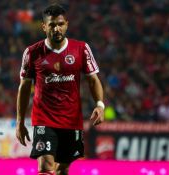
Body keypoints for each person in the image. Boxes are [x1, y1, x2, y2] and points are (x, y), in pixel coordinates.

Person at [16, 4, 105, 175]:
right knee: (45, 167)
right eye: (51, 25)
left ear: (66, 24)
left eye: (60, 24)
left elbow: (93, 80)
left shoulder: (81, 49)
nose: (56, 28)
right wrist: (20, 121)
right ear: (44, 26)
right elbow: (24, 87)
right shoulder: (32, 52)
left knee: (62, 169)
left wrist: (100, 104)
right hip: (44, 118)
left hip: (71, 120)